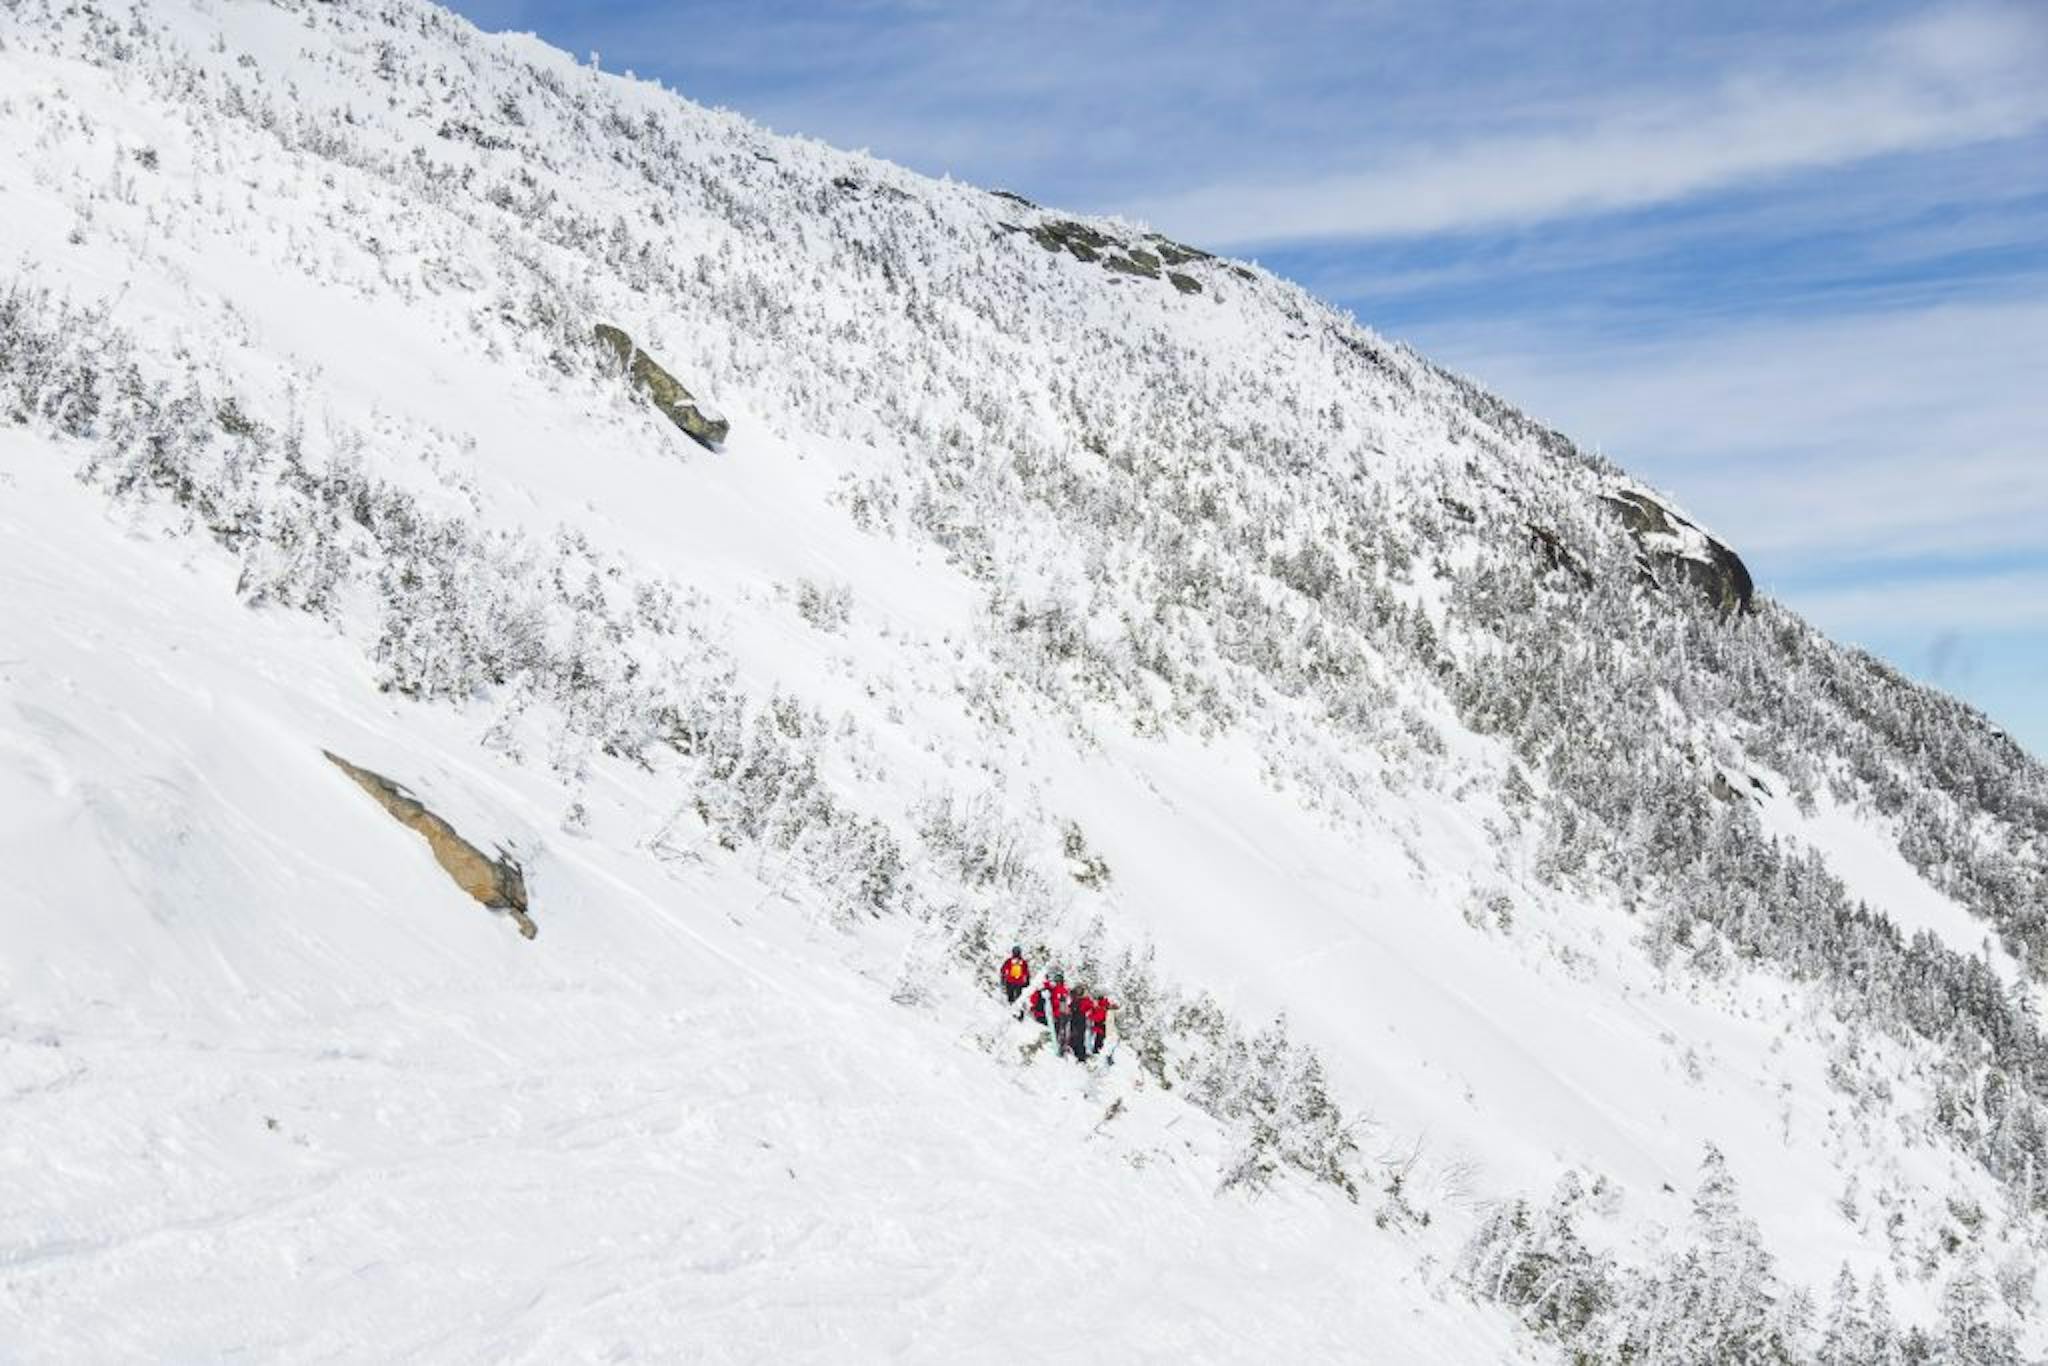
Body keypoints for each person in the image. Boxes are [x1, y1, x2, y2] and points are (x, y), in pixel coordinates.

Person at [1066, 985, 1094, 1062]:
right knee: (1075, 1036)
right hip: (1076, 1019)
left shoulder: (1083, 1000)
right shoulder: (1076, 1000)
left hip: (1080, 1019)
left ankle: (1080, 1055)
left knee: (1079, 1037)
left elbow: (1087, 1007)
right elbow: (1070, 1007)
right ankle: (1076, 1052)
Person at [1084, 991, 1116, 1059]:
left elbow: (1098, 1017)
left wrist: (1089, 1016)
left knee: (1099, 1042)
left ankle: (1097, 1055)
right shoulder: (1103, 1005)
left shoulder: (1102, 1007)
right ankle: (1098, 1054)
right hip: (1102, 1027)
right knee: (1099, 1041)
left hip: (1101, 1027)